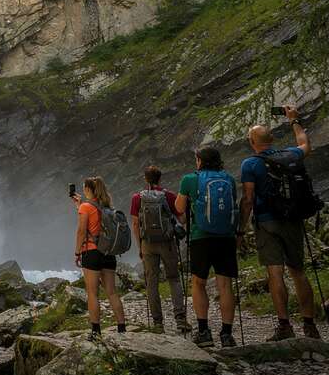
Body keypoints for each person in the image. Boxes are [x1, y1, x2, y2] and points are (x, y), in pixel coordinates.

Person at [240, 105, 320, 341]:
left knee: (275, 273)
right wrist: (294, 120)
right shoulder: (290, 155)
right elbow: (305, 144)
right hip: (293, 220)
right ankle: (310, 325)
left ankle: (284, 326)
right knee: (298, 271)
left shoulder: (250, 164)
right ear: (272, 139)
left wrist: (240, 229)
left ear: (251, 142)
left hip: (266, 222)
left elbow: (247, 199)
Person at [175, 147, 239, 348]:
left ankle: (204, 331)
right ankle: (227, 334)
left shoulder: (189, 180)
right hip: (226, 237)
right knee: (225, 285)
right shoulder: (229, 179)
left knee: (198, 283)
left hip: (200, 237)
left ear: (200, 161)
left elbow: (178, 208)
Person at [130, 165, 190, 333]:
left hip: (147, 243)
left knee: (152, 282)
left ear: (145, 179)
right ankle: (180, 319)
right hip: (167, 242)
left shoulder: (137, 198)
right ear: (160, 178)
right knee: (174, 278)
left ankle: (158, 323)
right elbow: (183, 218)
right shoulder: (168, 195)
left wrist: (140, 245)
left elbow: (135, 224)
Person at [72, 176, 127, 338]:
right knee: (112, 292)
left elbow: (82, 231)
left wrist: (77, 253)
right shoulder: (107, 207)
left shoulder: (86, 207)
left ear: (88, 189)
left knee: (92, 293)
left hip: (92, 252)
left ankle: (96, 331)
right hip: (109, 253)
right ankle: (122, 328)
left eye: (84, 188)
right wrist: (79, 206)